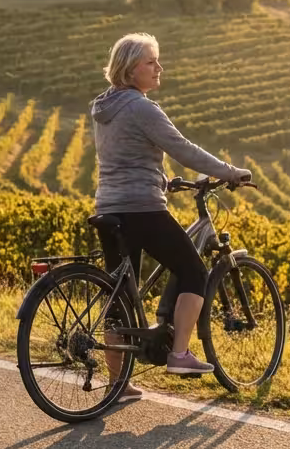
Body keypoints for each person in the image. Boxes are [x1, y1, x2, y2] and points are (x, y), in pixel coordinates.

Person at [90, 32, 251, 399]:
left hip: (109, 206)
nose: (159, 67)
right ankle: (179, 353)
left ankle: (118, 383)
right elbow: (183, 148)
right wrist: (229, 171)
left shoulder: (103, 107)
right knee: (195, 271)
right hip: (142, 209)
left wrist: (162, 179)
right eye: (151, 62)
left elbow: (124, 156)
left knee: (119, 298)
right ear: (131, 70)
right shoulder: (141, 107)